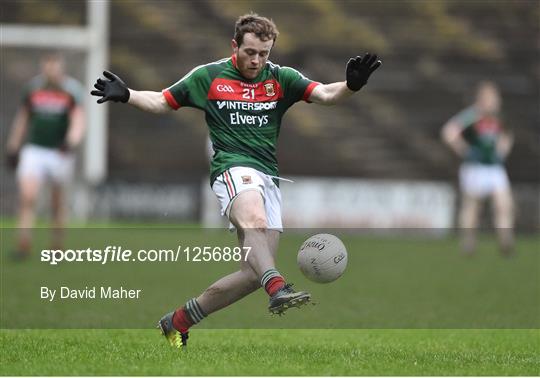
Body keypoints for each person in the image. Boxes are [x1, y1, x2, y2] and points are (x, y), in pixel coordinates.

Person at [91, 13, 381, 348]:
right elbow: (161, 101)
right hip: (231, 168)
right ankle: (278, 287)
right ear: (235, 46)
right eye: (250, 52)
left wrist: (351, 86)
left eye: (264, 54)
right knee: (256, 226)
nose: (257, 60)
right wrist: (127, 94)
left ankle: (177, 322)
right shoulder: (209, 77)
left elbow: (327, 95)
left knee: (251, 274)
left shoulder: (281, 79)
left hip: (267, 176)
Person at [6, 52, 86, 259]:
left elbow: (78, 120)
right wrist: (13, 145)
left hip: (59, 152)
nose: (51, 70)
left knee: (57, 202)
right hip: (35, 150)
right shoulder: (33, 89)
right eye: (47, 65)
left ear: (61, 67)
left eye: (54, 65)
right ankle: (23, 244)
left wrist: (71, 141)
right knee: (27, 197)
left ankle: (57, 248)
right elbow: (23, 118)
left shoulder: (71, 91)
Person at [441, 81, 514, 256]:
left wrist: (502, 150)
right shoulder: (472, 115)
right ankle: (468, 245)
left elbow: (507, 135)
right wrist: (464, 150)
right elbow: (449, 132)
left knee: (504, 205)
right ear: (483, 99)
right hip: (474, 168)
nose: (497, 101)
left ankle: (506, 244)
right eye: (493, 98)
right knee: (472, 208)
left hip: (495, 168)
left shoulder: (498, 117)